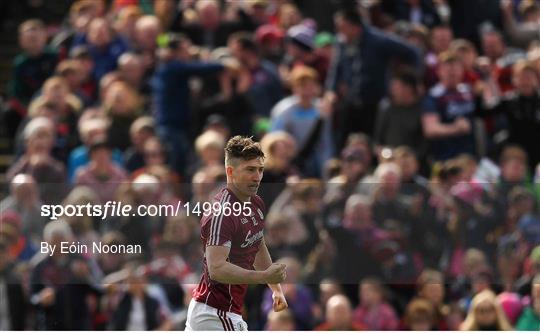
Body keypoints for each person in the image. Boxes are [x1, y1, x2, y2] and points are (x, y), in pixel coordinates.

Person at [186, 136, 288, 331]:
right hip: (214, 313)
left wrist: (275, 288)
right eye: (250, 170)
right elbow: (217, 269)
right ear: (230, 172)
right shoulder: (222, 213)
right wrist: (262, 276)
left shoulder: (255, 203)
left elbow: (257, 245)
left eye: (260, 170)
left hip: (223, 313)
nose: (257, 177)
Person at [325, 8, 420, 148]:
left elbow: (412, 52)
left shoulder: (378, 40)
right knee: (345, 141)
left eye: (342, 27)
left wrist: (408, 81)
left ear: (354, 26)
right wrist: (331, 90)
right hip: (351, 101)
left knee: (373, 141)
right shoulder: (341, 42)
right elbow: (336, 67)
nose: (339, 31)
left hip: (375, 102)